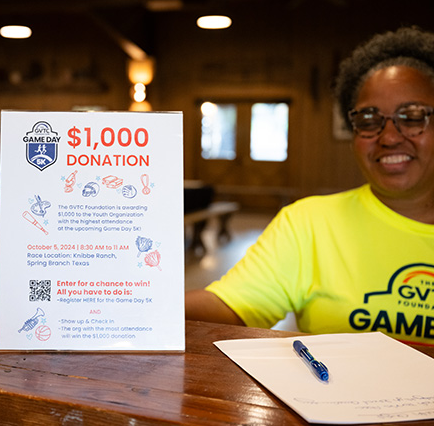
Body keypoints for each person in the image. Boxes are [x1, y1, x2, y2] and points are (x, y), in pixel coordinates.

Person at [185, 26, 434, 345]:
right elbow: (230, 306)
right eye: (368, 120)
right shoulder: (309, 223)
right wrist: (133, 303)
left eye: (412, 116)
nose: (388, 137)